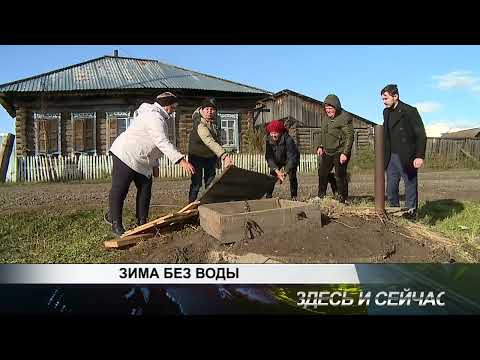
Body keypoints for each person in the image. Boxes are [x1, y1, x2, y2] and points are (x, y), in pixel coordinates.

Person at [105, 92, 195, 236]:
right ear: (167, 105)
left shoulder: (161, 118)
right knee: (120, 189)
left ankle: (142, 222)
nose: (175, 109)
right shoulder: (154, 117)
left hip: (143, 160)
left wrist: (155, 164)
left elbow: (153, 144)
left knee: (145, 190)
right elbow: (161, 141)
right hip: (126, 154)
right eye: (174, 106)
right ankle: (115, 222)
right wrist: (181, 160)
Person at [381, 84, 427, 220]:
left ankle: (411, 216)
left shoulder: (409, 111)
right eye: (382, 99)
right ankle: (395, 214)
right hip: (391, 157)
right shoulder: (386, 112)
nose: (384, 102)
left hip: (407, 156)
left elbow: (421, 135)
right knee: (391, 188)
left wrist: (419, 156)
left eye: (386, 98)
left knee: (410, 186)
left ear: (395, 96)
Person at [187, 98, 234, 203]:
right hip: (196, 155)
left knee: (210, 182)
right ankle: (190, 206)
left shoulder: (216, 121)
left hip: (210, 156)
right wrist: (224, 156)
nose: (209, 112)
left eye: (212, 109)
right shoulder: (198, 122)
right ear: (202, 110)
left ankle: (209, 205)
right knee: (196, 183)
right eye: (207, 109)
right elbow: (209, 140)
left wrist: (217, 158)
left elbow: (217, 139)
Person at [315, 94, 354, 203]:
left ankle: (343, 199)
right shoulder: (325, 119)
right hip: (328, 150)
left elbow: (349, 136)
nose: (328, 111)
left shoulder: (345, 117)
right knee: (322, 173)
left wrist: (345, 153)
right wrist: (320, 146)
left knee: (339, 175)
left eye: (331, 108)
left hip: (340, 151)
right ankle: (321, 196)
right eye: (326, 108)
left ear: (336, 107)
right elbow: (322, 133)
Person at [264, 119, 300, 200]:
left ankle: (294, 196)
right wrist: (277, 171)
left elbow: (291, 158)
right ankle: (268, 195)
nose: (273, 135)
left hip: (290, 159)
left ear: (280, 132)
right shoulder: (268, 140)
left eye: (275, 133)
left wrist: (284, 172)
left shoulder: (288, 140)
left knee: (292, 176)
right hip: (277, 159)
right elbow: (269, 157)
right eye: (271, 133)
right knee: (272, 176)